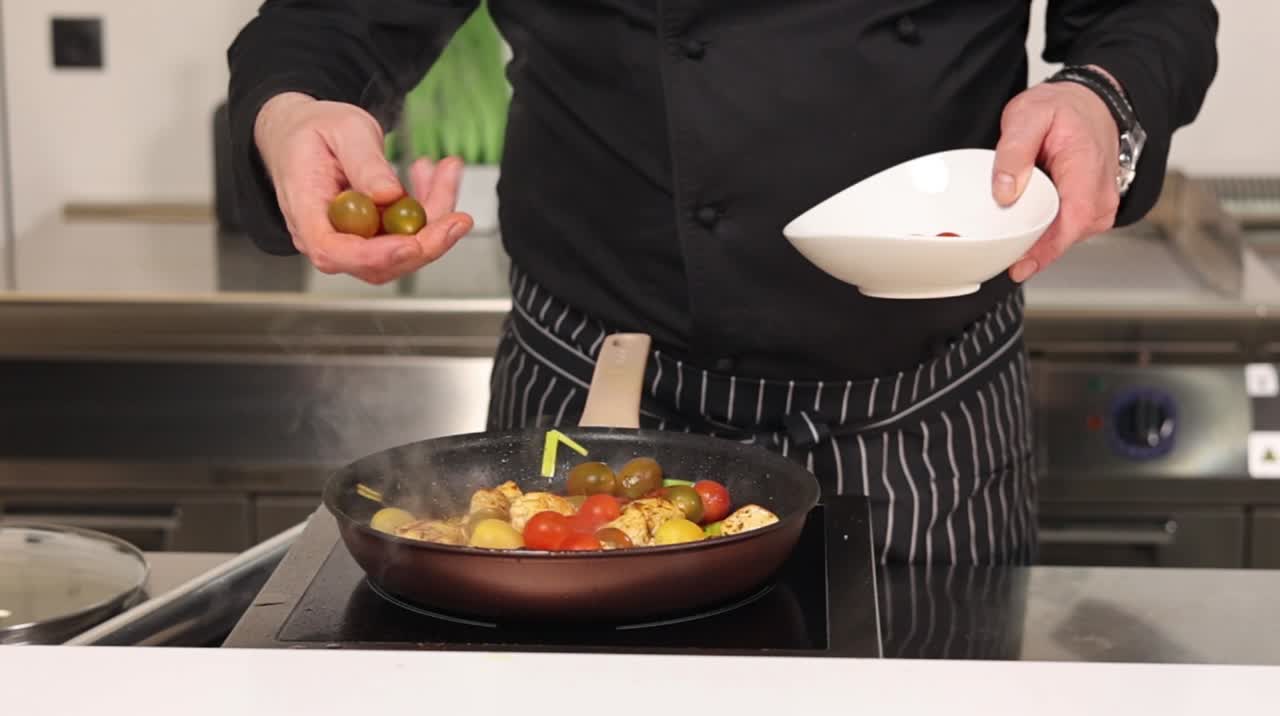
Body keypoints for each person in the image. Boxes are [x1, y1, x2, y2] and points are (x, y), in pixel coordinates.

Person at [227, 1, 1218, 566]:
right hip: (589, 387)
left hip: (922, 413)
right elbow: (329, 19)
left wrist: (1105, 99)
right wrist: (290, 112)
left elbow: (1146, 11)